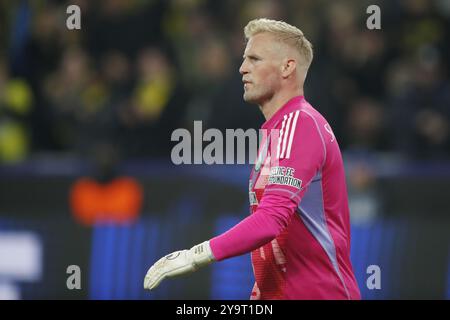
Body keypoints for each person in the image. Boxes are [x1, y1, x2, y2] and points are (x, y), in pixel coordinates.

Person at [143, 18, 361, 300]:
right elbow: (278, 236)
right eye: (245, 59)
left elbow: (271, 220)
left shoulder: (301, 125)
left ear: (287, 67)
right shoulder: (278, 132)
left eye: (254, 59)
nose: (242, 68)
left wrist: (197, 255)